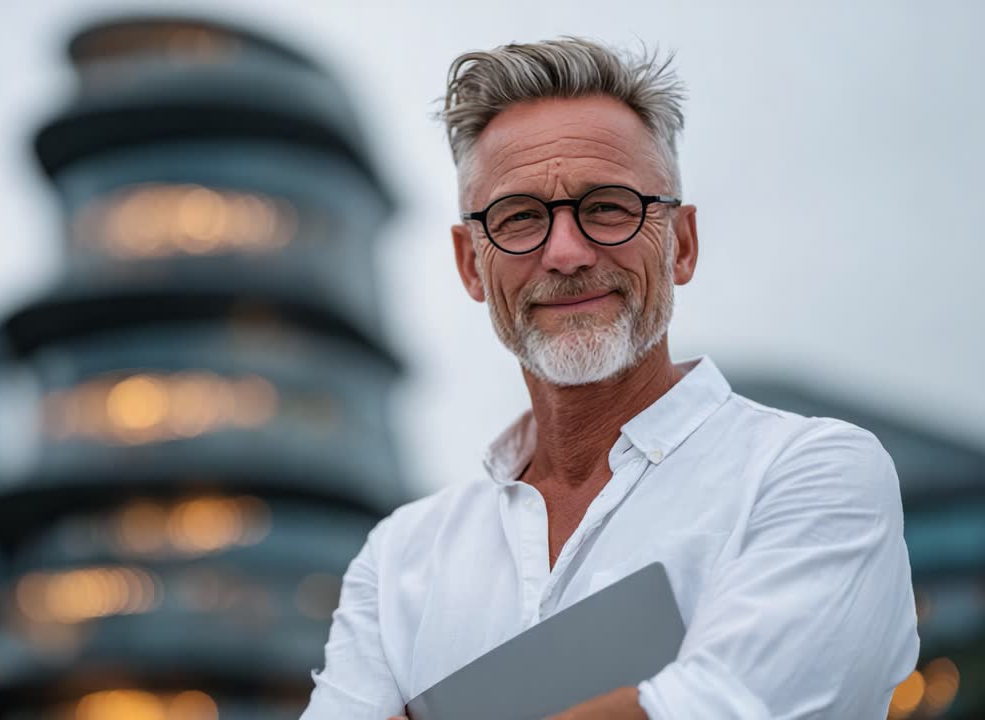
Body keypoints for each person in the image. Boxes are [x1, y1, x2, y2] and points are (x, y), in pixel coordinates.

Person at [300, 37, 919, 719]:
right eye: (518, 218)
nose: (565, 253)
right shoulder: (399, 557)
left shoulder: (810, 473)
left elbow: (713, 710)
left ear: (680, 244)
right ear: (470, 265)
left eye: (608, 206)